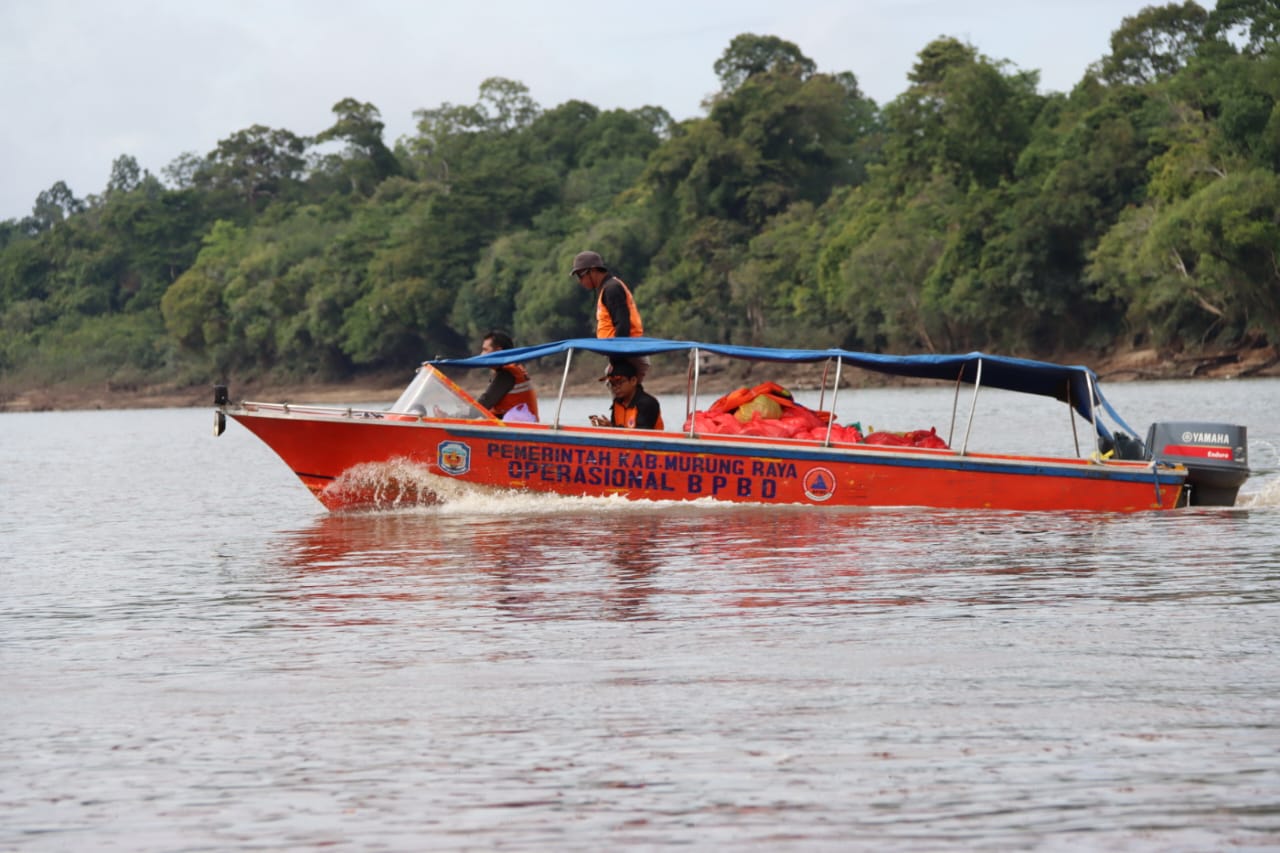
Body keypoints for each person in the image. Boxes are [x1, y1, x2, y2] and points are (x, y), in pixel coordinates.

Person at [571, 250, 650, 381]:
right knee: (623, 397)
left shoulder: (611, 288)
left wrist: (618, 361)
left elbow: (622, 324)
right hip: (624, 352)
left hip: (627, 352)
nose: (580, 281)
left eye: (580, 275)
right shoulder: (607, 287)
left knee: (626, 397)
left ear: (593, 271)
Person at [474, 330, 539, 420]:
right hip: (518, 424)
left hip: (519, 427)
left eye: (485, 350)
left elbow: (485, 402)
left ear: (498, 351)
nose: (481, 355)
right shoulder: (513, 367)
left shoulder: (506, 373)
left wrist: (458, 416)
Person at [590, 359, 664, 430]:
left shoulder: (648, 403)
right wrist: (605, 427)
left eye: (619, 382)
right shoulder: (617, 402)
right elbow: (615, 427)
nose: (615, 388)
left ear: (633, 381)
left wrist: (612, 428)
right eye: (612, 384)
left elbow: (642, 435)